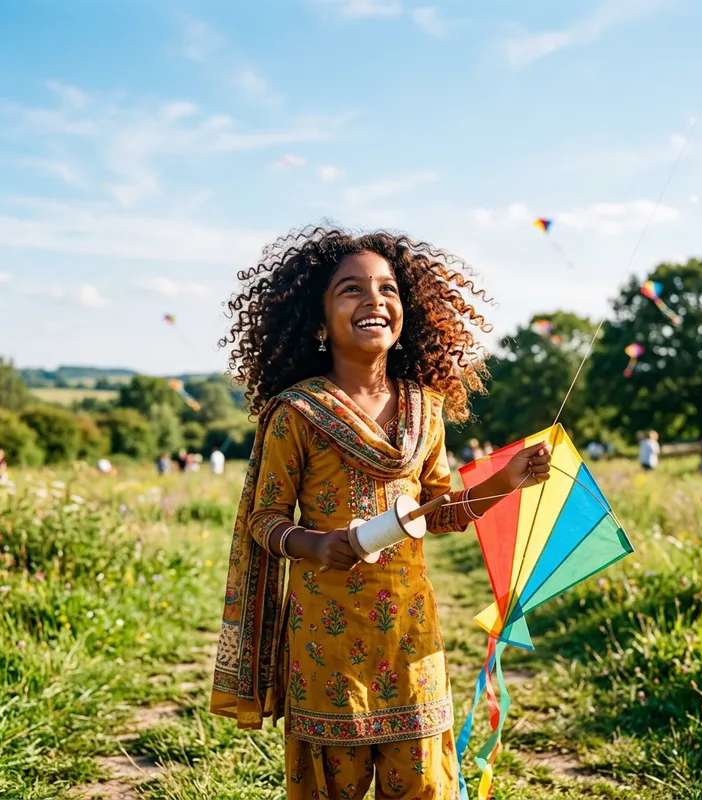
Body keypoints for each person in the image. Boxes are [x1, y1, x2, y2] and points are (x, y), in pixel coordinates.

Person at [209, 226, 552, 799]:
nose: (374, 300)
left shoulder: (426, 407)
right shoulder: (298, 413)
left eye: (387, 289)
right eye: (350, 290)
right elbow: (263, 520)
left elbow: (441, 511)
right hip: (325, 644)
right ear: (319, 321)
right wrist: (315, 545)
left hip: (411, 638)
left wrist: (506, 481)